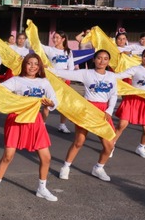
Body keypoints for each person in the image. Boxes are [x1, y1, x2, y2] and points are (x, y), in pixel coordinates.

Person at [0, 53, 59, 202]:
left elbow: (54, 100)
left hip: (35, 120)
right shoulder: (16, 81)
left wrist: (51, 104)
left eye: (35, 64)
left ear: (39, 67)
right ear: (24, 65)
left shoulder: (44, 82)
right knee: (8, 156)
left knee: (46, 157)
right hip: (16, 119)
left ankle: (42, 188)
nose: (32, 66)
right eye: (29, 63)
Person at [49, 50, 117, 182]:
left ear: (108, 61)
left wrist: (109, 110)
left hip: (103, 111)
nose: (102, 61)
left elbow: (113, 95)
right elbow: (63, 73)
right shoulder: (86, 73)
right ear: (94, 60)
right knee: (79, 141)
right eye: (99, 58)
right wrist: (47, 69)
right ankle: (66, 167)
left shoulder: (111, 76)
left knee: (109, 145)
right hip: (87, 109)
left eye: (105, 59)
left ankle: (98, 168)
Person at [114, 48, 145, 157]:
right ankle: (111, 144)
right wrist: (105, 75)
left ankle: (141, 147)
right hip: (133, 99)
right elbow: (119, 76)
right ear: (142, 57)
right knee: (122, 125)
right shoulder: (135, 69)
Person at [41, 30, 74, 134]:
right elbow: (38, 45)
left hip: (64, 80)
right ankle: (42, 124)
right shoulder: (50, 50)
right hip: (52, 80)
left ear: (63, 39)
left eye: (57, 37)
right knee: (48, 102)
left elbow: (71, 67)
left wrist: (65, 77)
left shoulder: (68, 51)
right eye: (54, 37)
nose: (54, 39)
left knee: (64, 104)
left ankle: (62, 125)